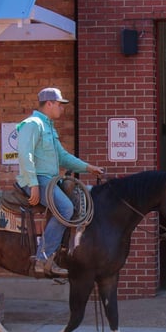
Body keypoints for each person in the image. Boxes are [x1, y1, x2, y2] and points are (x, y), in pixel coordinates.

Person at [16, 87, 104, 277]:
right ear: (49, 104)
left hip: (48, 180)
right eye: (59, 105)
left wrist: (88, 167)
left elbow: (62, 157)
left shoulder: (48, 126)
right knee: (65, 208)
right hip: (37, 179)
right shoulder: (33, 124)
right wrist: (33, 185)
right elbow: (25, 155)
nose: (62, 109)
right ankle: (43, 258)